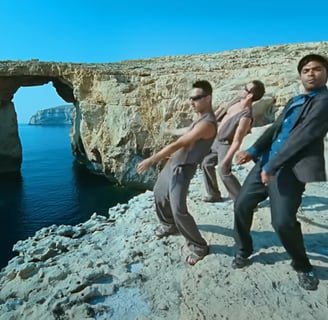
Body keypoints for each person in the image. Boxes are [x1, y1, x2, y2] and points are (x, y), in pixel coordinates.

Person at [232, 54, 328, 291]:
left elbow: (303, 137)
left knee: (283, 221)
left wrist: (272, 167)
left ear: (326, 74)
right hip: (266, 162)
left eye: (317, 69)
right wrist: (253, 150)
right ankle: (244, 249)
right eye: (306, 70)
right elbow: (276, 129)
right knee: (242, 204)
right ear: (300, 75)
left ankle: (302, 265)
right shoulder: (296, 100)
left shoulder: (324, 102)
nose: (311, 73)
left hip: (289, 169)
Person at [137, 80, 217, 265]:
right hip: (173, 164)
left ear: (208, 98)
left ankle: (199, 246)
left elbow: (178, 144)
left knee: (179, 210)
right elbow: (187, 131)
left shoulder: (208, 123)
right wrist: (170, 129)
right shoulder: (200, 118)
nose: (191, 102)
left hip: (182, 169)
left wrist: (151, 160)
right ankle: (168, 225)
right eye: (191, 98)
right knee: (159, 194)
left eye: (196, 98)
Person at [201, 80, 265, 202]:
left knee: (223, 170)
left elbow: (237, 141)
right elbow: (221, 112)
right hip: (216, 140)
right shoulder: (236, 102)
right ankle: (214, 195)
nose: (241, 89)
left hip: (226, 144)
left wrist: (227, 159)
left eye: (245, 88)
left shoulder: (246, 117)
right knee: (206, 163)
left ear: (250, 95)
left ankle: (242, 200)